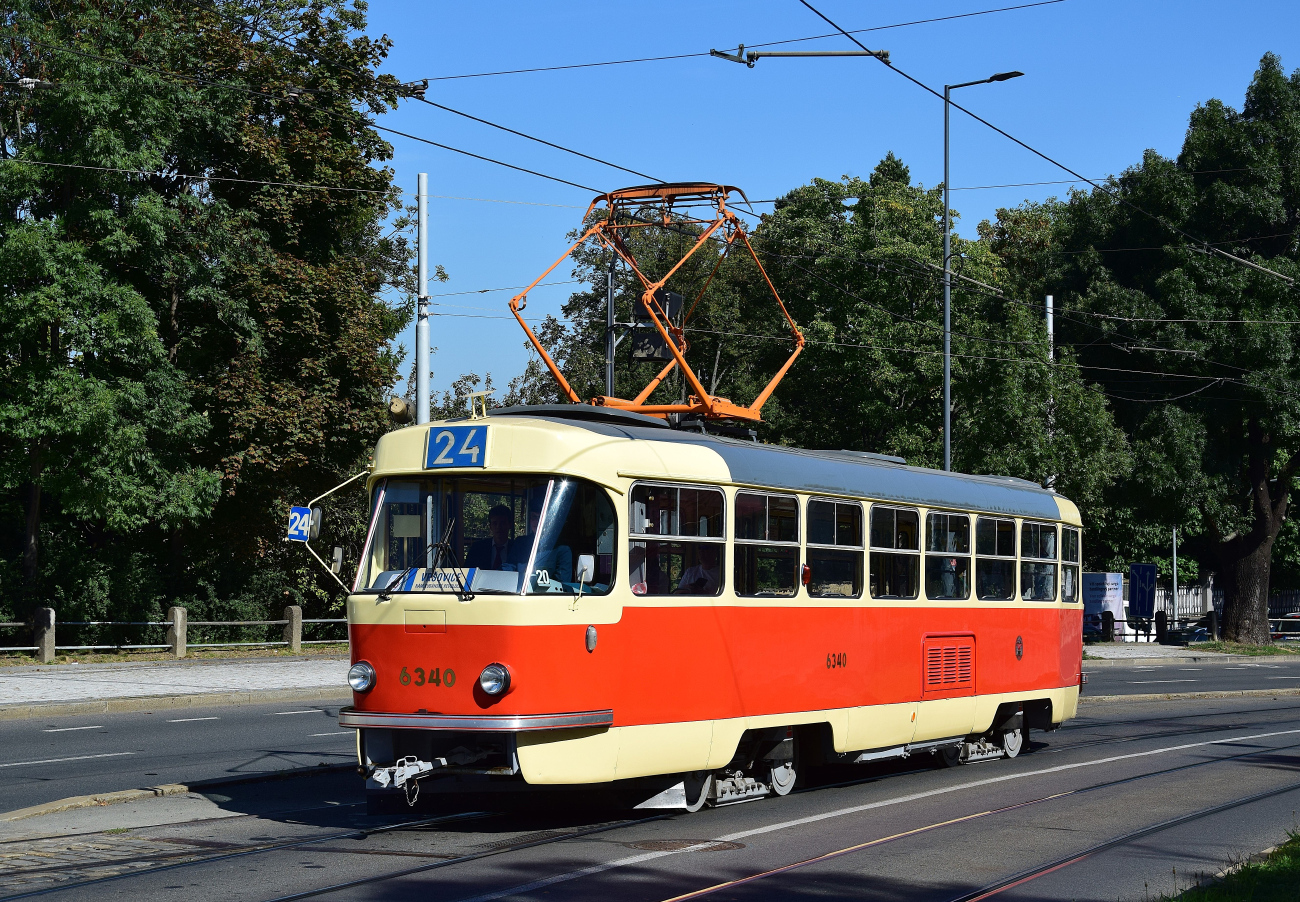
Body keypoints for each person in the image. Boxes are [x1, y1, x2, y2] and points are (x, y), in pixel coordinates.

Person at [466, 505, 513, 570]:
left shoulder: (516, 549)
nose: (498, 527)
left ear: (509, 525)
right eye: (495, 523)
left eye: (502, 523)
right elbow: (467, 573)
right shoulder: (477, 549)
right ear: (490, 526)